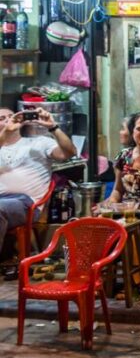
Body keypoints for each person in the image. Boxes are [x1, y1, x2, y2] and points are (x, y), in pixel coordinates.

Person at [0, 107, 77, 264]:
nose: (8, 120)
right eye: (2, 118)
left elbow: (69, 152)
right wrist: (5, 134)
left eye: (11, 116)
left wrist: (53, 127)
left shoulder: (39, 142)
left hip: (26, 203)